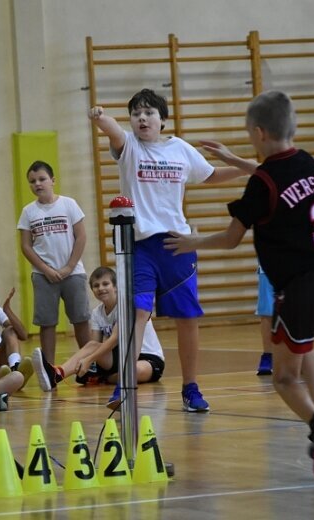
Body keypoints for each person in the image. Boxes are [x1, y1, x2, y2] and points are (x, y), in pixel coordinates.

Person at [163, 91, 314, 486]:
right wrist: (236, 161)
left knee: (285, 377)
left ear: (260, 132)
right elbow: (280, 178)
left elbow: (233, 238)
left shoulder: (264, 182)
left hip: (303, 284)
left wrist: (192, 242)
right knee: (307, 348)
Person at [88, 89, 255, 412]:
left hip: (178, 245)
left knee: (187, 318)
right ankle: (126, 385)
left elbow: (210, 175)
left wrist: (245, 168)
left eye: (149, 112)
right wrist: (99, 116)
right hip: (141, 246)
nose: (142, 118)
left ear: (163, 120)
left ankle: (191, 388)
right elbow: (111, 129)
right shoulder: (129, 147)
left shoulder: (180, 149)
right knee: (137, 313)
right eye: (136, 113)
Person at [31, 266, 165, 408]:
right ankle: (57, 374)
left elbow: (114, 339)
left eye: (105, 284)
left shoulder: (125, 305)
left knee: (133, 372)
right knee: (92, 346)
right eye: (96, 286)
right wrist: (89, 361)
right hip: (121, 358)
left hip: (148, 358)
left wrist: (88, 360)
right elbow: (94, 344)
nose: (101, 288)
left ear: (115, 287)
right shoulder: (97, 313)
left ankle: (103, 377)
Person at [17, 160, 91, 365]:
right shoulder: (28, 212)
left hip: (73, 272)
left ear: (52, 180)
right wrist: (45, 269)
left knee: (81, 319)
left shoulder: (69, 204)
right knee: (47, 323)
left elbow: (81, 237)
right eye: (32, 181)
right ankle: (49, 369)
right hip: (43, 276)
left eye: (42, 179)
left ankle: (90, 364)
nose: (37, 184)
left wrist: (69, 267)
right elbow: (26, 246)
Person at [256, 266, 274, 375]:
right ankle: (268, 356)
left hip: (294, 265)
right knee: (267, 312)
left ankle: (300, 354)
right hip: (268, 265)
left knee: (296, 312)